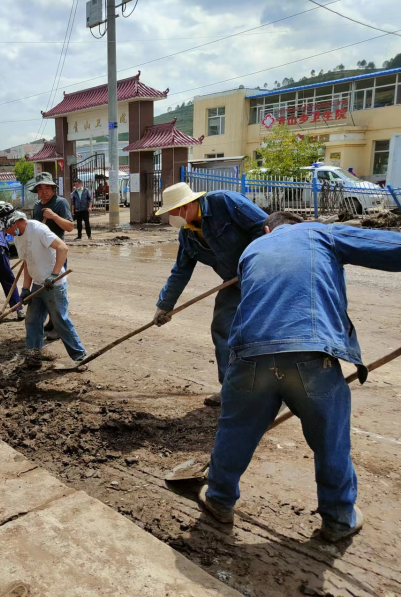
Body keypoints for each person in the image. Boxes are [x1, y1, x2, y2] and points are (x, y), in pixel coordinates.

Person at [199, 212, 401, 543]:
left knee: (235, 431)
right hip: (310, 357)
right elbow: (391, 247)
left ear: (267, 229)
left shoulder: (252, 250)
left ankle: (219, 499)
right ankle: (338, 519)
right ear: (300, 224)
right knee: (331, 440)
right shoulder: (320, 233)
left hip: (249, 357)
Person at [152, 182, 266, 407]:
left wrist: (250, 263)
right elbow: (180, 272)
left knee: (265, 332)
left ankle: (277, 393)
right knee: (223, 327)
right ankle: (231, 390)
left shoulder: (224, 202)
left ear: (187, 205)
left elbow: (264, 226)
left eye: (174, 211)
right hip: (234, 283)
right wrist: (164, 306)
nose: (173, 217)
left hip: (264, 277)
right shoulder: (188, 235)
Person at [3, 210, 86, 369]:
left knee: (59, 321)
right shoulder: (18, 238)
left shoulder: (37, 229)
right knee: (32, 320)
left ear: (15, 223)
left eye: (7, 229)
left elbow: (62, 248)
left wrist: (54, 274)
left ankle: (80, 356)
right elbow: (27, 263)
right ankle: (33, 357)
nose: (6, 232)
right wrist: (25, 288)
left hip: (54, 285)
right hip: (37, 285)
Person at [31, 172, 73, 340]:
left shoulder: (60, 203)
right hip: (41, 254)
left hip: (57, 254)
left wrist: (54, 216)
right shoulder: (36, 206)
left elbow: (69, 227)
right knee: (46, 289)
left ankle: (59, 327)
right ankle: (52, 321)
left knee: (58, 291)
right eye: (40, 189)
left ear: (53, 189)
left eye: (47, 188)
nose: (44, 192)